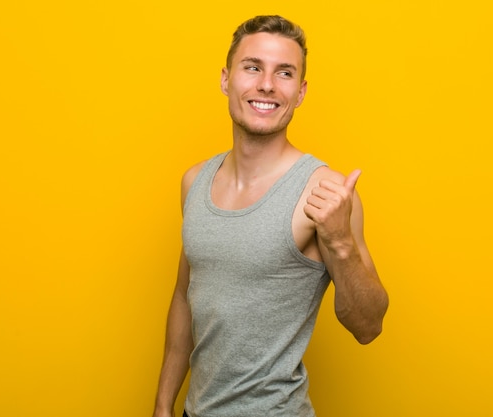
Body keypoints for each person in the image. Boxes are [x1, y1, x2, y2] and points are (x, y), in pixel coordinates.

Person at [152, 15, 389, 417]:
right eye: (252, 67)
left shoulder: (323, 192)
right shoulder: (194, 181)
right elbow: (184, 297)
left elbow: (368, 327)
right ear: (227, 80)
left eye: (285, 72)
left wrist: (340, 243)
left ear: (300, 92)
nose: (266, 84)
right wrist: (162, 405)